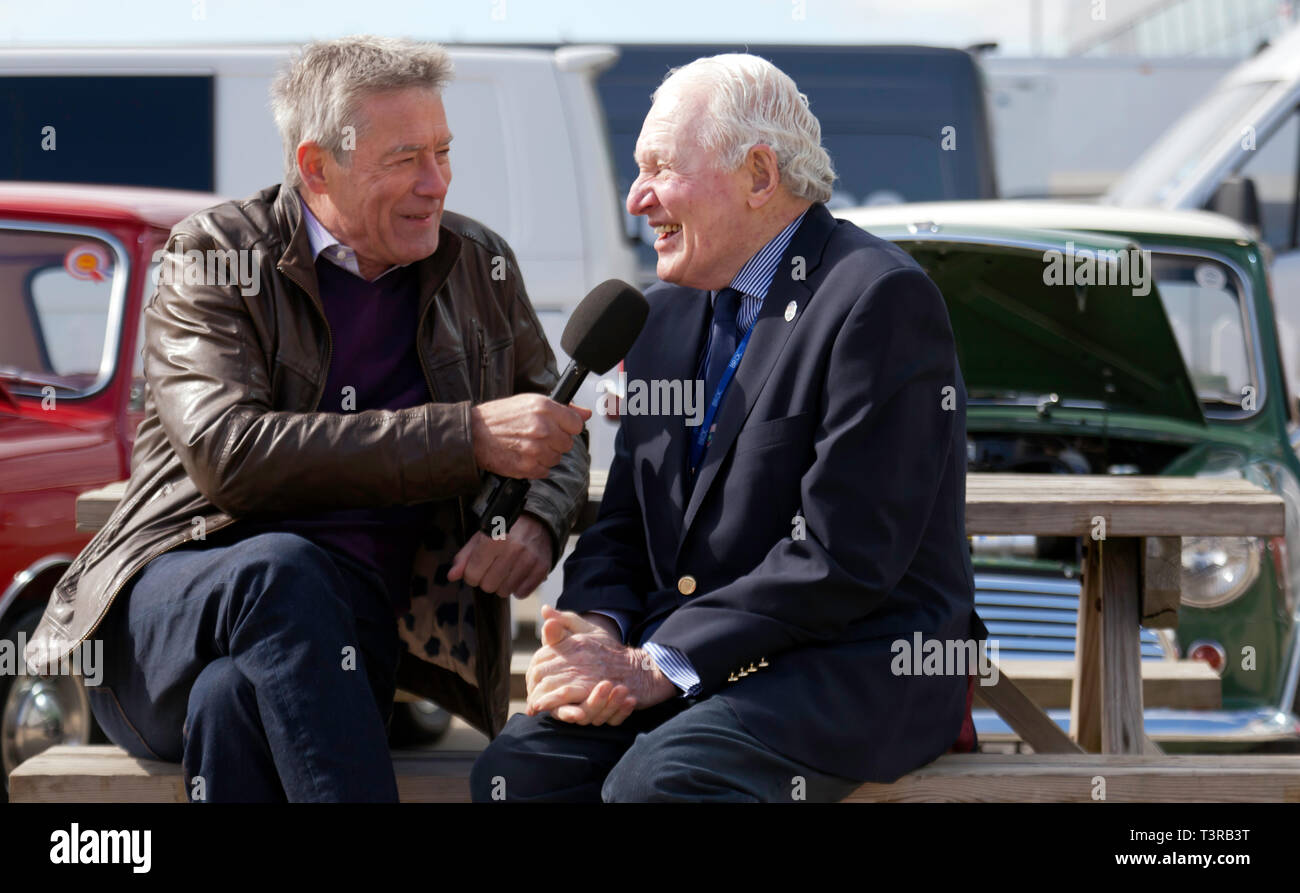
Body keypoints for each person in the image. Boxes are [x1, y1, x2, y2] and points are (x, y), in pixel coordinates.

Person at [23, 35, 589, 802]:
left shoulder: (477, 263)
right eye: (404, 159)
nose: (437, 184)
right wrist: (467, 435)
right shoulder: (213, 255)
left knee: (232, 702)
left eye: (444, 152)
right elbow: (232, 453)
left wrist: (536, 524)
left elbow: (554, 422)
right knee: (281, 572)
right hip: (172, 620)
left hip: (347, 648)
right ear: (317, 166)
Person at [471, 53, 982, 803]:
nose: (636, 198)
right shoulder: (661, 316)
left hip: (849, 662)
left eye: (660, 169)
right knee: (516, 775)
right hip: (687, 657)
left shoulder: (879, 299)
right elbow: (624, 524)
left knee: (658, 785)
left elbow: (843, 556)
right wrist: (598, 631)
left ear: (759, 175)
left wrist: (658, 663)